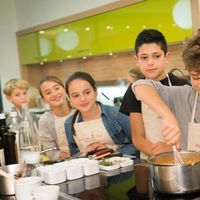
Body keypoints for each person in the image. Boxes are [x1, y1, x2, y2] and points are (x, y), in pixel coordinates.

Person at [119, 29, 191, 159]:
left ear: (166, 57)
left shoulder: (182, 86)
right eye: (144, 57)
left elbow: (191, 131)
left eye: (156, 56)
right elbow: (137, 137)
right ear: (137, 60)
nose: (150, 62)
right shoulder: (134, 90)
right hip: (150, 160)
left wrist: (172, 149)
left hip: (181, 157)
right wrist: (158, 152)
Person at [132, 30, 200, 151]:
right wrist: (168, 116)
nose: (150, 62)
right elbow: (141, 85)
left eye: (156, 56)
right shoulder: (186, 95)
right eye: (196, 77)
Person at [64, 71, 139, 157]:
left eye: (87, 92)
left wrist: (111, 150)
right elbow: (74, 157)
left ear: (95, 92)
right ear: (69, 99)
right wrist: (84, 153)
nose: (82, 99)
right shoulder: (69, 123)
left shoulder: (117, 114)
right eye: (75, 96)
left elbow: (138, 145)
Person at [38, 76, 72, 160]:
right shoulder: (45, 120)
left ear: (64, 89)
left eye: (57, 88)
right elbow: (51, 153)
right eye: (48, 93)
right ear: (44, 99)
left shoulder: (79, 110)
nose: (54, 94)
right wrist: (78, 154)